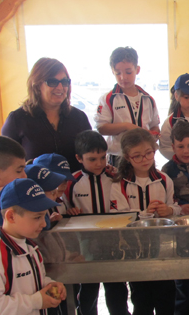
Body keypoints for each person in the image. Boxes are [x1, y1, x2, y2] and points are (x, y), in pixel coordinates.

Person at [0, 178, 66, 314]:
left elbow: (31, 281)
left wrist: (48, 284)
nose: (44, 224)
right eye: (37, 217)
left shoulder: (30, 246)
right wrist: (35, 301)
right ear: (11, 217)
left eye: (44, 216)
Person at [110, 128, 177, 315]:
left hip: (163, 249)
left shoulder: (164, 179)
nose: (145, 159)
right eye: (137, 156)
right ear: (127, 156)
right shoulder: (119, 184)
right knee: (141, 300)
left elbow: (175, 208)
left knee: (167, 299)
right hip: (134, 250)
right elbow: (119, 217)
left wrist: (169, 210)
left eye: (149, 153)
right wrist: (144, 214)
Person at [65, 130, 129, 315]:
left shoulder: (114, 177)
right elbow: (64, 208)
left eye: (103, 157)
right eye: (92, 159)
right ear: (79, 158)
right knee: (88, 291)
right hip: (85, 245)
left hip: (113, 242)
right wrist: (69, 212)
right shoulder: (72, 182)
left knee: (116, 290)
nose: (100, 163)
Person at [2, 57, 91, 172]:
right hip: (35, 189)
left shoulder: (79, 117)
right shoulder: (17, 120)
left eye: (64, 82)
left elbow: (91, 154)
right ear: (37, 85)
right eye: (52, 82)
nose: (60, 87)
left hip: (76, 188)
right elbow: (5, 164)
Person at [161, 121, 189, 315]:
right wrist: (179, 207)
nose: (186, 151)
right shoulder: (167, 170)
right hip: (178, 232)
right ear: (173, 147)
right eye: (180, 146)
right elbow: (164, 200)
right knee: (181, 277)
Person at [95, 46, 161, 167]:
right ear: (112, 71)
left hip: (144, 156)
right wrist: (126, 126)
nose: (123, 77)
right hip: (119, 156)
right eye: (118, 73)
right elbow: (101, 128)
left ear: (137, 69)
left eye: (128, 72)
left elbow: (154, 125)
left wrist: (154, 135)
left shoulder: (148, 99)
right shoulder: (108, 99)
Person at [159, 73, 189, 160]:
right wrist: (182, 158)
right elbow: (164, 148)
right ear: (177, 96)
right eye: (186, 97)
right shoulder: (170, 122)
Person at [24, 164, 67, 229]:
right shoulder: (31, 212)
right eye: (51, 191)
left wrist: (50, 222)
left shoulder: (44, 209)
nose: (56, 192)